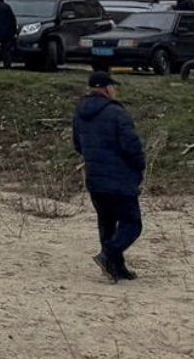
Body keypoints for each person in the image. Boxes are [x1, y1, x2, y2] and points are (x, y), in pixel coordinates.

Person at [73, 71, 145, 282]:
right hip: (120, 178)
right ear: (106, 88)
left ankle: (116, 268)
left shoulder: (80, 112)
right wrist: (139, 166)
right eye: (113, 87)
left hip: (95, 178)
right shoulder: (117, 113)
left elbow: (77, 144)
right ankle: (108, 255)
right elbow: (132, 147)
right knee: (132, 224)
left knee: (106, 223)